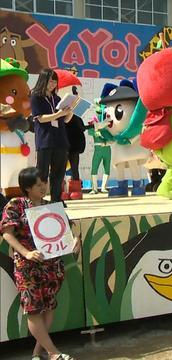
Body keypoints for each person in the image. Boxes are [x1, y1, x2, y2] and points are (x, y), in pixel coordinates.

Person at [1, 167, 80, 360]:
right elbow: (7, 234)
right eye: (38, 184)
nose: (43, 187)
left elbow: (68, 230)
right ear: (27, 188)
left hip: (52, 266)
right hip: (28, 268)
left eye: (44, 183)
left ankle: (37, 353)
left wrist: (75, 241)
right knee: (34, 309)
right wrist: (27, 253)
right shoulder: (15, 205)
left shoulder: (52, 205)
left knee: (49, 306)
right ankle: (53, 353)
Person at [30, 69, 73, 203]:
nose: (53, 84)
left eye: (55, 81)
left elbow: (65, 120)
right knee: (42, 173)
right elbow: (41, 118)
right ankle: (38, 200)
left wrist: (69, 111)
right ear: (43, 81)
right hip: (45, 139)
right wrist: (58, 114)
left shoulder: (57, 98)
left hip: (60, 139)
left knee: (59, 172)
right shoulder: (36, 97)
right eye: (50, 81)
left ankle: (56, 199)